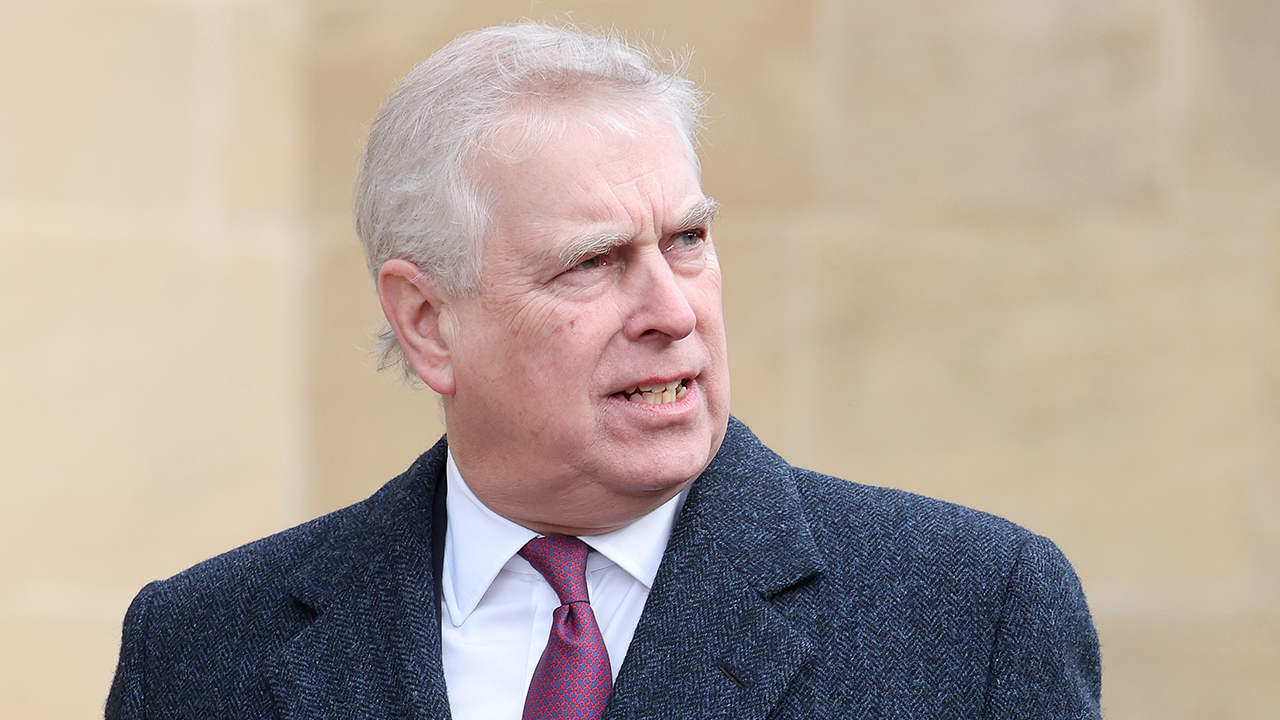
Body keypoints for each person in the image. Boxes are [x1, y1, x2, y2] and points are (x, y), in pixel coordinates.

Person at [106, 22, 1101, 720]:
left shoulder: (971, 610)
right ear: (426, 322)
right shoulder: (196, 647)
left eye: (687, 240)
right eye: (592, 262)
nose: (672, 311)